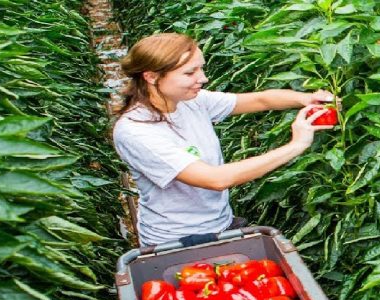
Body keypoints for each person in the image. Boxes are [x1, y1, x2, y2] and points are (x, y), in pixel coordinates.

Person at [112, 33, 337, 246]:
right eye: (190, 73)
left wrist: (307, 98)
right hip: (175, 240)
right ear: (151, 76)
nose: (203, 78)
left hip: (219, 223)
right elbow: (216, 179)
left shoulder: (190, 101)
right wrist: (296, 145)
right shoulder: (136, 131)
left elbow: (261, 100)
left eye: (201, 68)